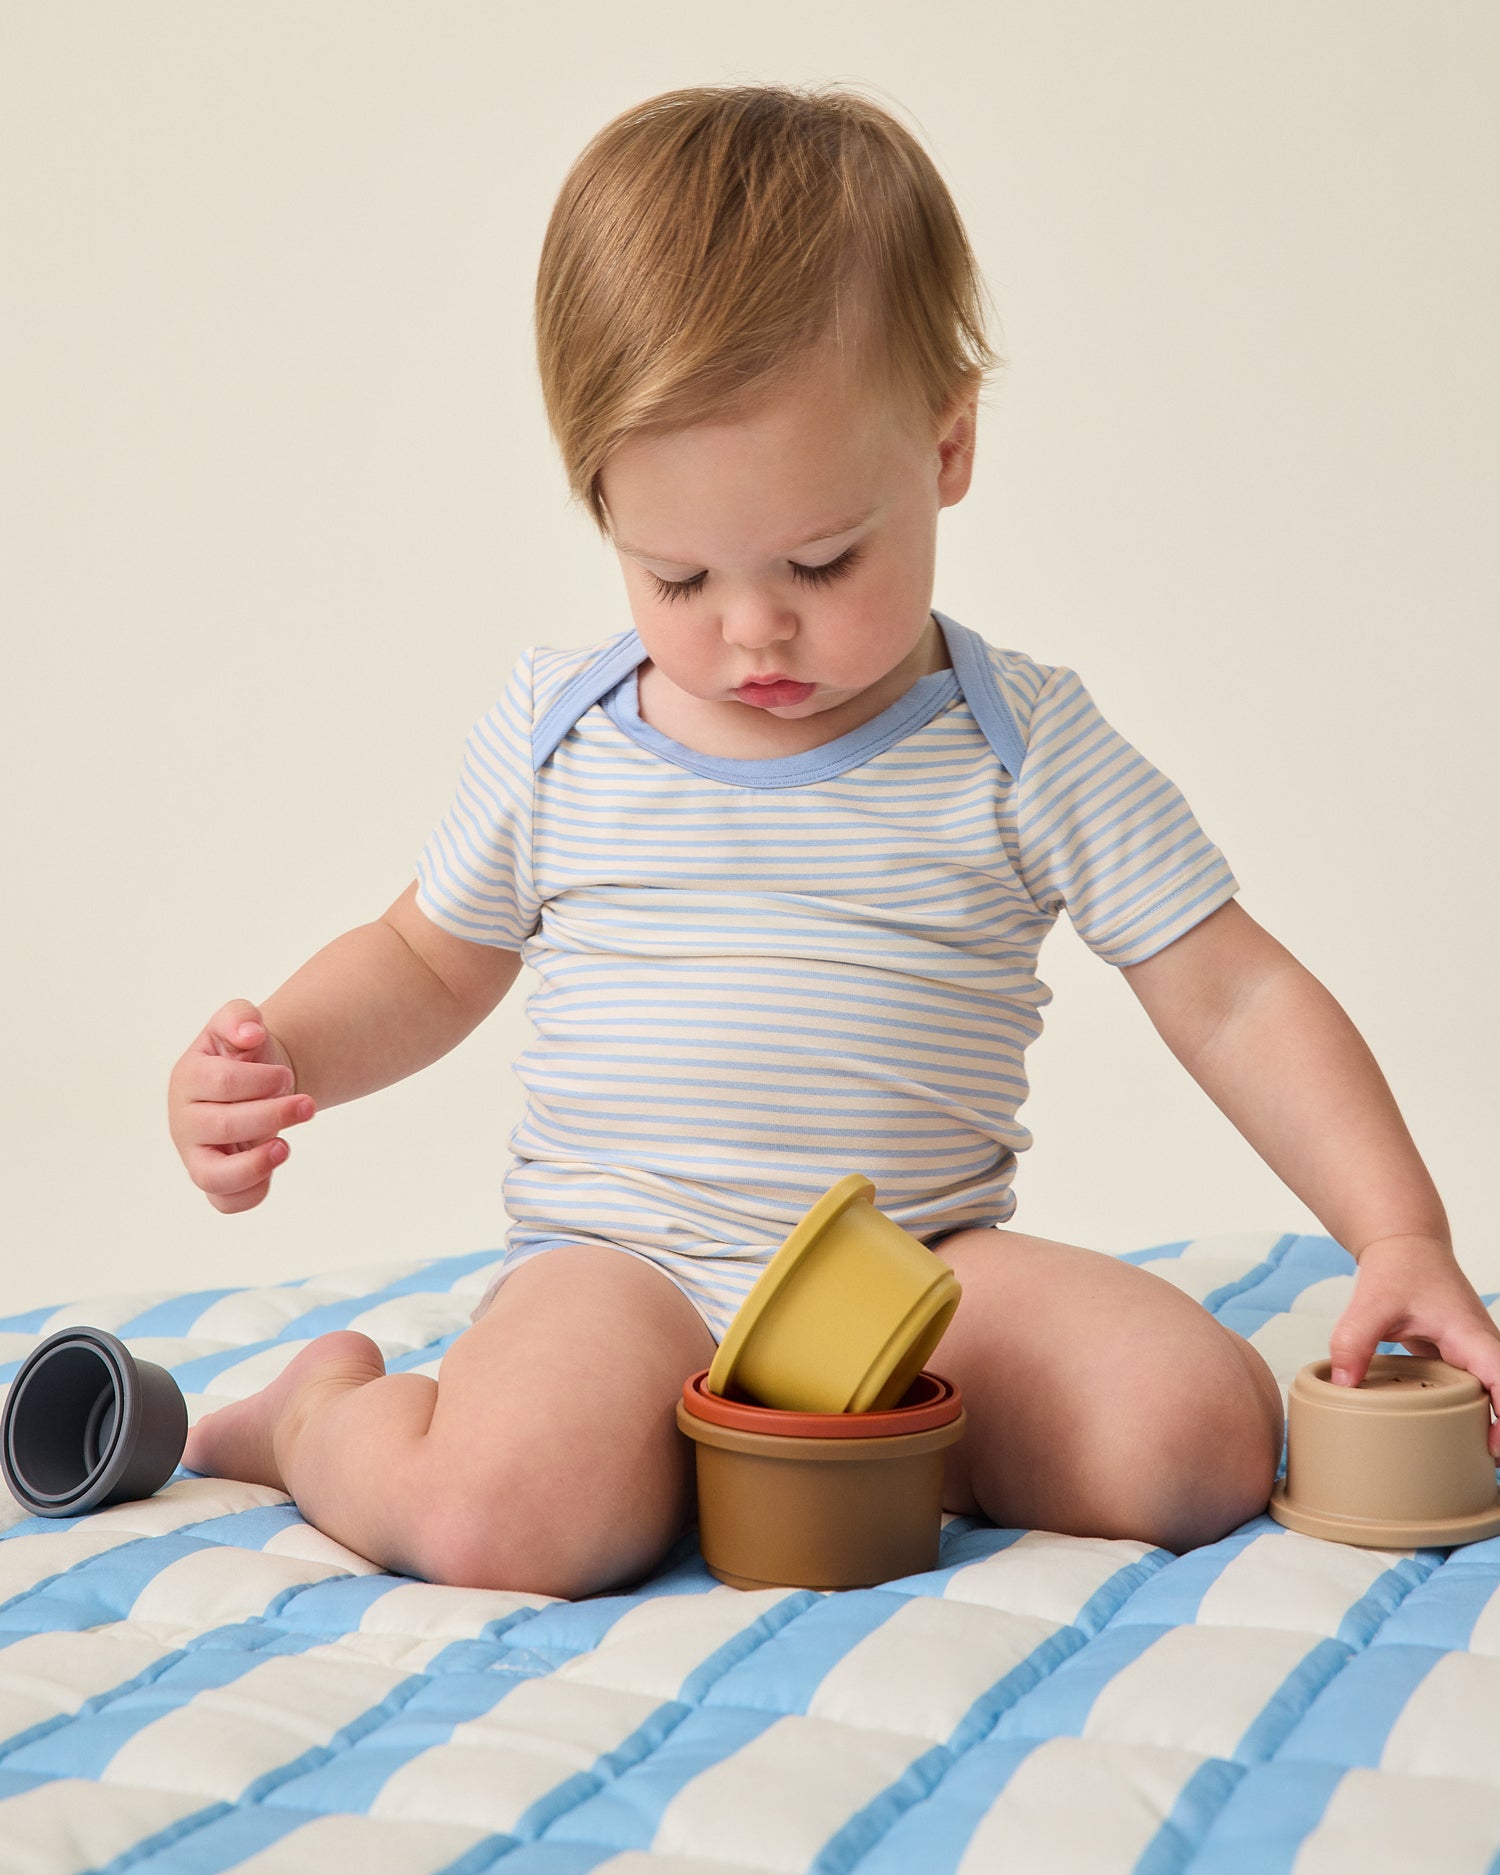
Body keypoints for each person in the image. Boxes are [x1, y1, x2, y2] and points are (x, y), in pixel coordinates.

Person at [168, 83, 1500, 1599]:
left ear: (947, 446)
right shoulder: (564, 734)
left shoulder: (1020, 741)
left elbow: (1234, 992)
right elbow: (423, 956)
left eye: (820, 558)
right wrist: (282, 1058)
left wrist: (1396, 1230)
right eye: (674, 575)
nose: (753, 631)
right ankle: (324, 1420)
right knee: (507, 1519)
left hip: (917, 1273)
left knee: (1194, 1440)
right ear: (600, 502)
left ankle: (795, 1455)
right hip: (629, 1275)